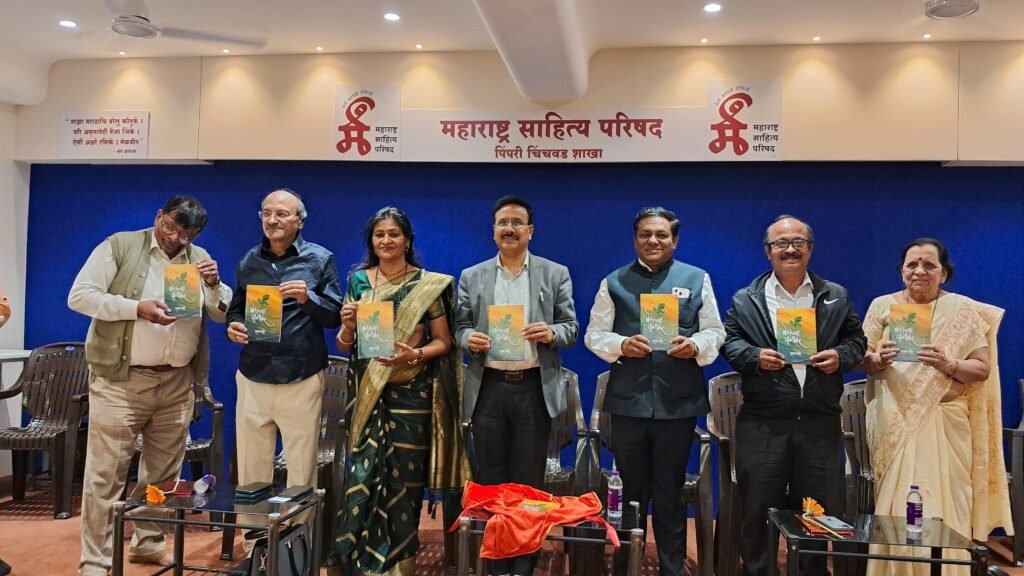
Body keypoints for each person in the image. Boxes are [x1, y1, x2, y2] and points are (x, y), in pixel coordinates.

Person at [68, 196, 231, 576]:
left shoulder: (199, 257)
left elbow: (220, 314)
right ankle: (96, 561)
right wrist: (136, 308)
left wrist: (214, 284)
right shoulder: (119, 245)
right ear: (159, 216)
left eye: (186, 233)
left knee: (163, 475)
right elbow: (80, 296)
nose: (175, 237)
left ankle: (149, 543)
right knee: (105, 476)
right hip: (121, 381)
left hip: (176, 381)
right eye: (170, 226)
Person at [722, 215, 866, 576]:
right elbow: (730, 342)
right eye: (781, 243)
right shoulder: (746, 299)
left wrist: (841, 356)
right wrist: (754, 357)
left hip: (819, 421)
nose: (790, 249)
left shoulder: (835, 295)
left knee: (815, 512)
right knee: (757, 511)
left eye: (798, 242)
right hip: (763, 423)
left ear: (810, 249)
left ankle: (811, 571)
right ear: (767, 251)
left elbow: (856, 341)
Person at [584, 206, 725, 576]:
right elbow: (594, 335)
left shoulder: (696, 278)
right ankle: (625, 567)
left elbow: (715, 330)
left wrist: (695, 345)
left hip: (677, 403)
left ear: (675, 240)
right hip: (628, 403)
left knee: (669, 491)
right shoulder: (614, 281)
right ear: (635, 239)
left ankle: (671, 568)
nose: (653, 240)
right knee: (629, 492)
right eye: (645, 234)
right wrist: (620, 344)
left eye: (662, 235)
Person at [859, 238, 1013, 576]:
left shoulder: (961, 310)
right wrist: (877, 359)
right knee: (897, 500)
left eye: (929, 265)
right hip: (894, 420)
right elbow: (862, 357)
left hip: (946, 422)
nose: (920, 271)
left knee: (946, 499)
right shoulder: (882, 305)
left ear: (944, 273)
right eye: (912, 264)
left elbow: (982, 368)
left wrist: (950, 363)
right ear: (901, 270)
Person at [331, 207, 470, 576]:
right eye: (379, 234)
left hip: (413, 397)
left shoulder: (428, 284)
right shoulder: (359, 281)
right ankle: (358, 563)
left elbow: (444, 341)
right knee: (362, 477)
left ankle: (400, 564)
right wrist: (347, 327)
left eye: (394, 234)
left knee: (405, 485)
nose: (386, 240)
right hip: (368, 394)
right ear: (371, 241)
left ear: (407, 241)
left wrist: (415, 355)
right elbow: (345, 345)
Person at [455, 195, 578, 576]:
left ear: (530, 230)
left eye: (517, 223)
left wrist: (551, 333)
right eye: (503, 223)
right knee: (491, 477)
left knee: (527, 481)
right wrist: (469, 339)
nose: (509, 229)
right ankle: (496, 563)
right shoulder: (472, 276)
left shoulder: (554, 273)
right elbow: (459, 327)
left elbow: (571, 328)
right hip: (488, 387)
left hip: (532, 388)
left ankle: (524, 563)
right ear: (493, 230)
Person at [226, 188, 343, 526]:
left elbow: (334, 316)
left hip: (301, 375)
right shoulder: (249, 261)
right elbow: (236, 309)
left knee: (301, 469)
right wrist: (234, 326)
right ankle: (255, 543)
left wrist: (308, 299)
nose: (272, 220)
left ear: (300, 221)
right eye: (266, 213)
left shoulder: (320, 259)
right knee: (251, 469)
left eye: (281, 214)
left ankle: (296, 544)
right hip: (254, 374)